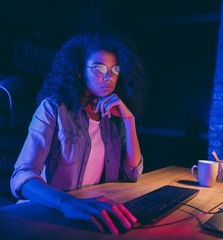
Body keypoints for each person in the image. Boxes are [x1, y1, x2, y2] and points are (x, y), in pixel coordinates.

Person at [10, 28, 149, 234]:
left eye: (115, 70)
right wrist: (67, 202)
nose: (108, 77)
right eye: (99, 68)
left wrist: (129, 121)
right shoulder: (53, 108)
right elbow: (22, 176)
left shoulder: (114, 117)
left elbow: (133, 174)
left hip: (87, 213)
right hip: (47, 213)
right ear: (79, 70)